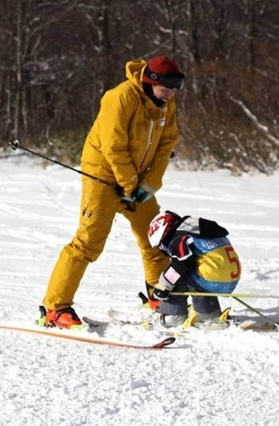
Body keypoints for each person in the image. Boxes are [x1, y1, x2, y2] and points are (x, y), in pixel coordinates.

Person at [39, 56, 185, 329]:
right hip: (103, 176)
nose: (172, 95)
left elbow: (167, 144)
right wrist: (129, 185)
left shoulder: (166, 101)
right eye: (167, 89)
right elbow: (113, 147)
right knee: (88, 242)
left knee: (155, 237)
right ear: (151, 83)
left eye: (176, 89)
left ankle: (159, 294)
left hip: (137, 181)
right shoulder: (119, 98)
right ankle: (55, 308)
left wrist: (147, 185)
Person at [146, 210, 242, 328]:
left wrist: (163, 286)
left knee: (174, 279)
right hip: (229, 278)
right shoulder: (194, 229)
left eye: (161, 245)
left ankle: (173, 316)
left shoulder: (179, 238)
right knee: (194, 275)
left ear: (164, 234)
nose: (163, 249)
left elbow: (179, 266)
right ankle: (208, 314)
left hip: (213, 278)